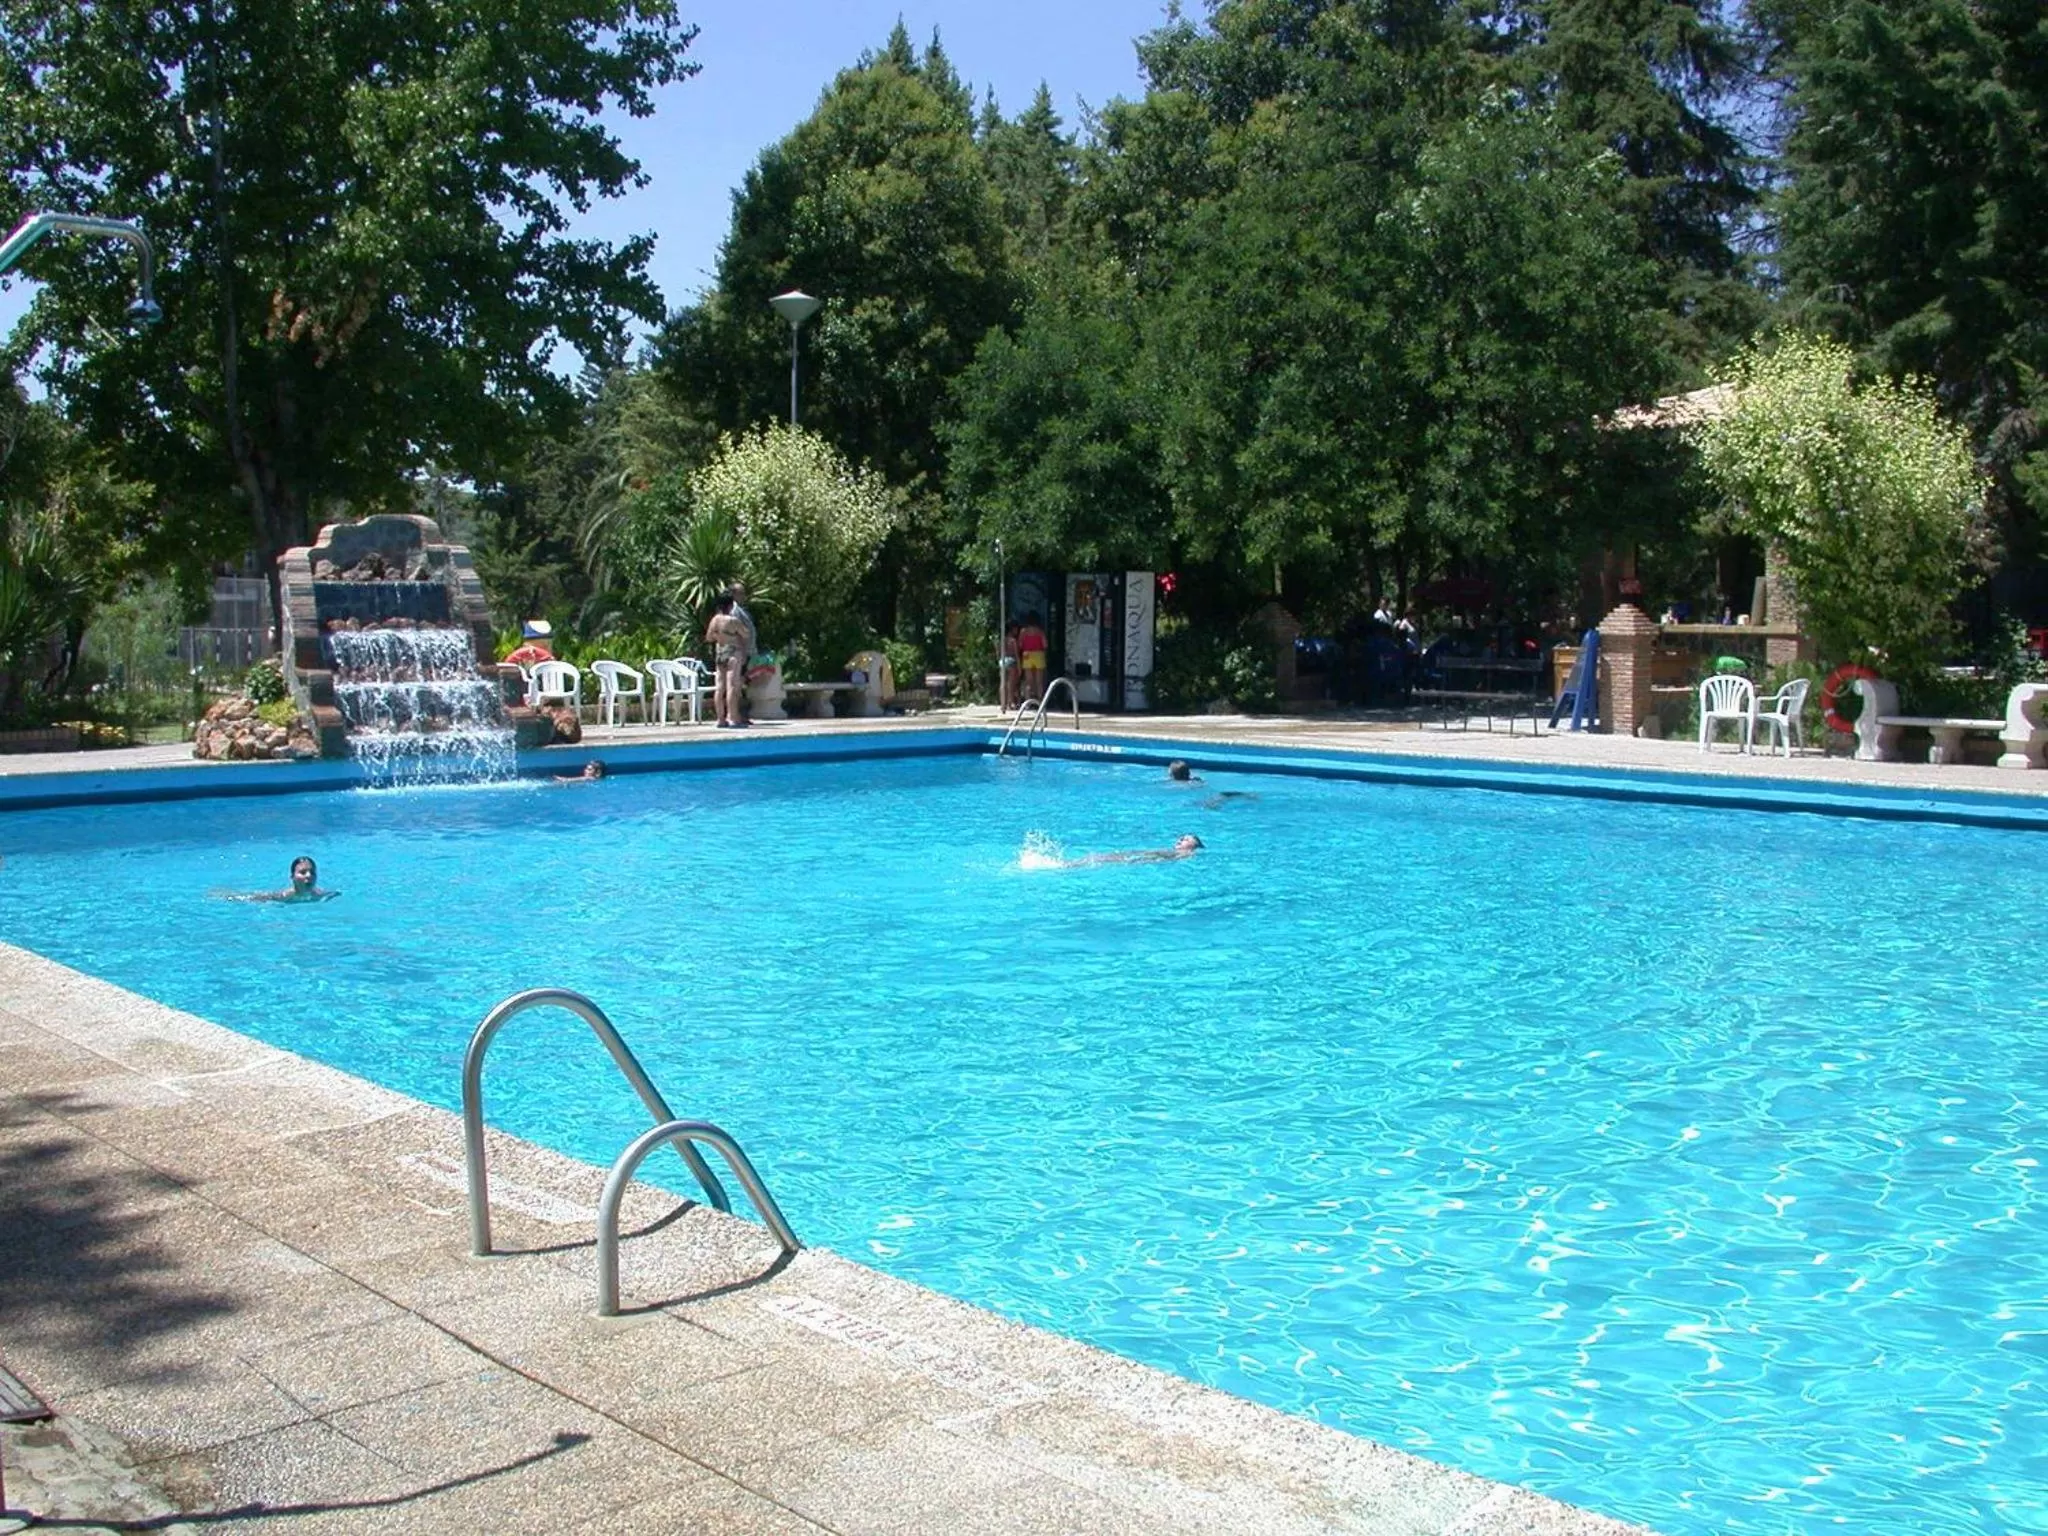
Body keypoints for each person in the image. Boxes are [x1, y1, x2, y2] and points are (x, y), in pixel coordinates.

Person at [705, 594, 750, 728]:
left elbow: (708, 637)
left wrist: (720, 636)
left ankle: (720, 719)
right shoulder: (733, 620)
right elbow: (746, 634)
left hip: (720, 653)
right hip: (733, 653)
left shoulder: (715, 620)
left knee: (719, 687)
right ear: (730, 606)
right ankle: (733, 717)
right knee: (732, 686)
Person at [1057, 834, 1203, 868]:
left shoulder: (1188, 854)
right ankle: (1069, 864)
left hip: (1139, 858)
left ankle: (1068, 865)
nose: (1179, 840)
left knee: (1100, 859)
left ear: (1194, 845)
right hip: (1137, 855)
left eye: (1185, 839)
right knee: (1100, 857)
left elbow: (1158, 859)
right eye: (1180, 837)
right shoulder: (1181, 853)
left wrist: (1140, 860)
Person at [237, 855, 339, 903]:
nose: (309, 876)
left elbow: (335, 893)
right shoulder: (283, 897)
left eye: (312, 872)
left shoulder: (321, 895)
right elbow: (253, 898)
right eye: (302, 872)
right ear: (292, 877)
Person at [725, 583, 757, 724]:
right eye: (741, 593)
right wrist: (743, 652)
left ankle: (738, 713)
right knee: (736, 684)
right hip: (741, 652)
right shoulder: (734, 611)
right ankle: (735, 714)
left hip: (746, 651)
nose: (744, 596)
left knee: (741, 684)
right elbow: (737, 633)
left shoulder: (740, 609)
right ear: (734, 594)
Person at [1016, 613, 1047, 704]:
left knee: (1028, 680)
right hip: (1039, 654)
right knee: (1039, 681)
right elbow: (1045, 644)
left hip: (1027, 655)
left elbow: (1020, 645)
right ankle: (1040, 701)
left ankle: (1028, 701)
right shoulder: (1040, 631)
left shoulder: (1023, 631)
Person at [999, 622, 1021, 713]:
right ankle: (1010, 703)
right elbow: (1016, 654)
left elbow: (999, 652)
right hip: (1011, 661)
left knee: (1002, 683)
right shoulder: (1013, 641)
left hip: (1003, 661)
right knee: (1011, 684)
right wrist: (1019, 667)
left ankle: (1002, 703)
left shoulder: (1002, 640)